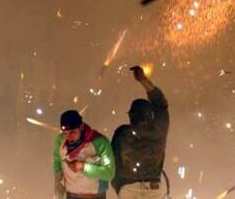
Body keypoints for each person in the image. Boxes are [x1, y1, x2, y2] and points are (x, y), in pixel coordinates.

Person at [111, 66, 170, 198]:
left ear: (131, 115)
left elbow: (112, 162)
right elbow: (161, 104)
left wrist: (119, 186)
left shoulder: (122, 133)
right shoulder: (159, 129)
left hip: (128, 189)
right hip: (153, 188)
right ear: (150, 115)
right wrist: (143, 80)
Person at [53, 110, 115, 199]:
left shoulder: (100, 143)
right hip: (71, 196)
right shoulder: (60, 141)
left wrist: (84, 167)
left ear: (81, 127)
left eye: (72, 132)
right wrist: (58, 195)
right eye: (65, 133)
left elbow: (109, 173)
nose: (68, 137)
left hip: (95, 196)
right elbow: (57, 168)